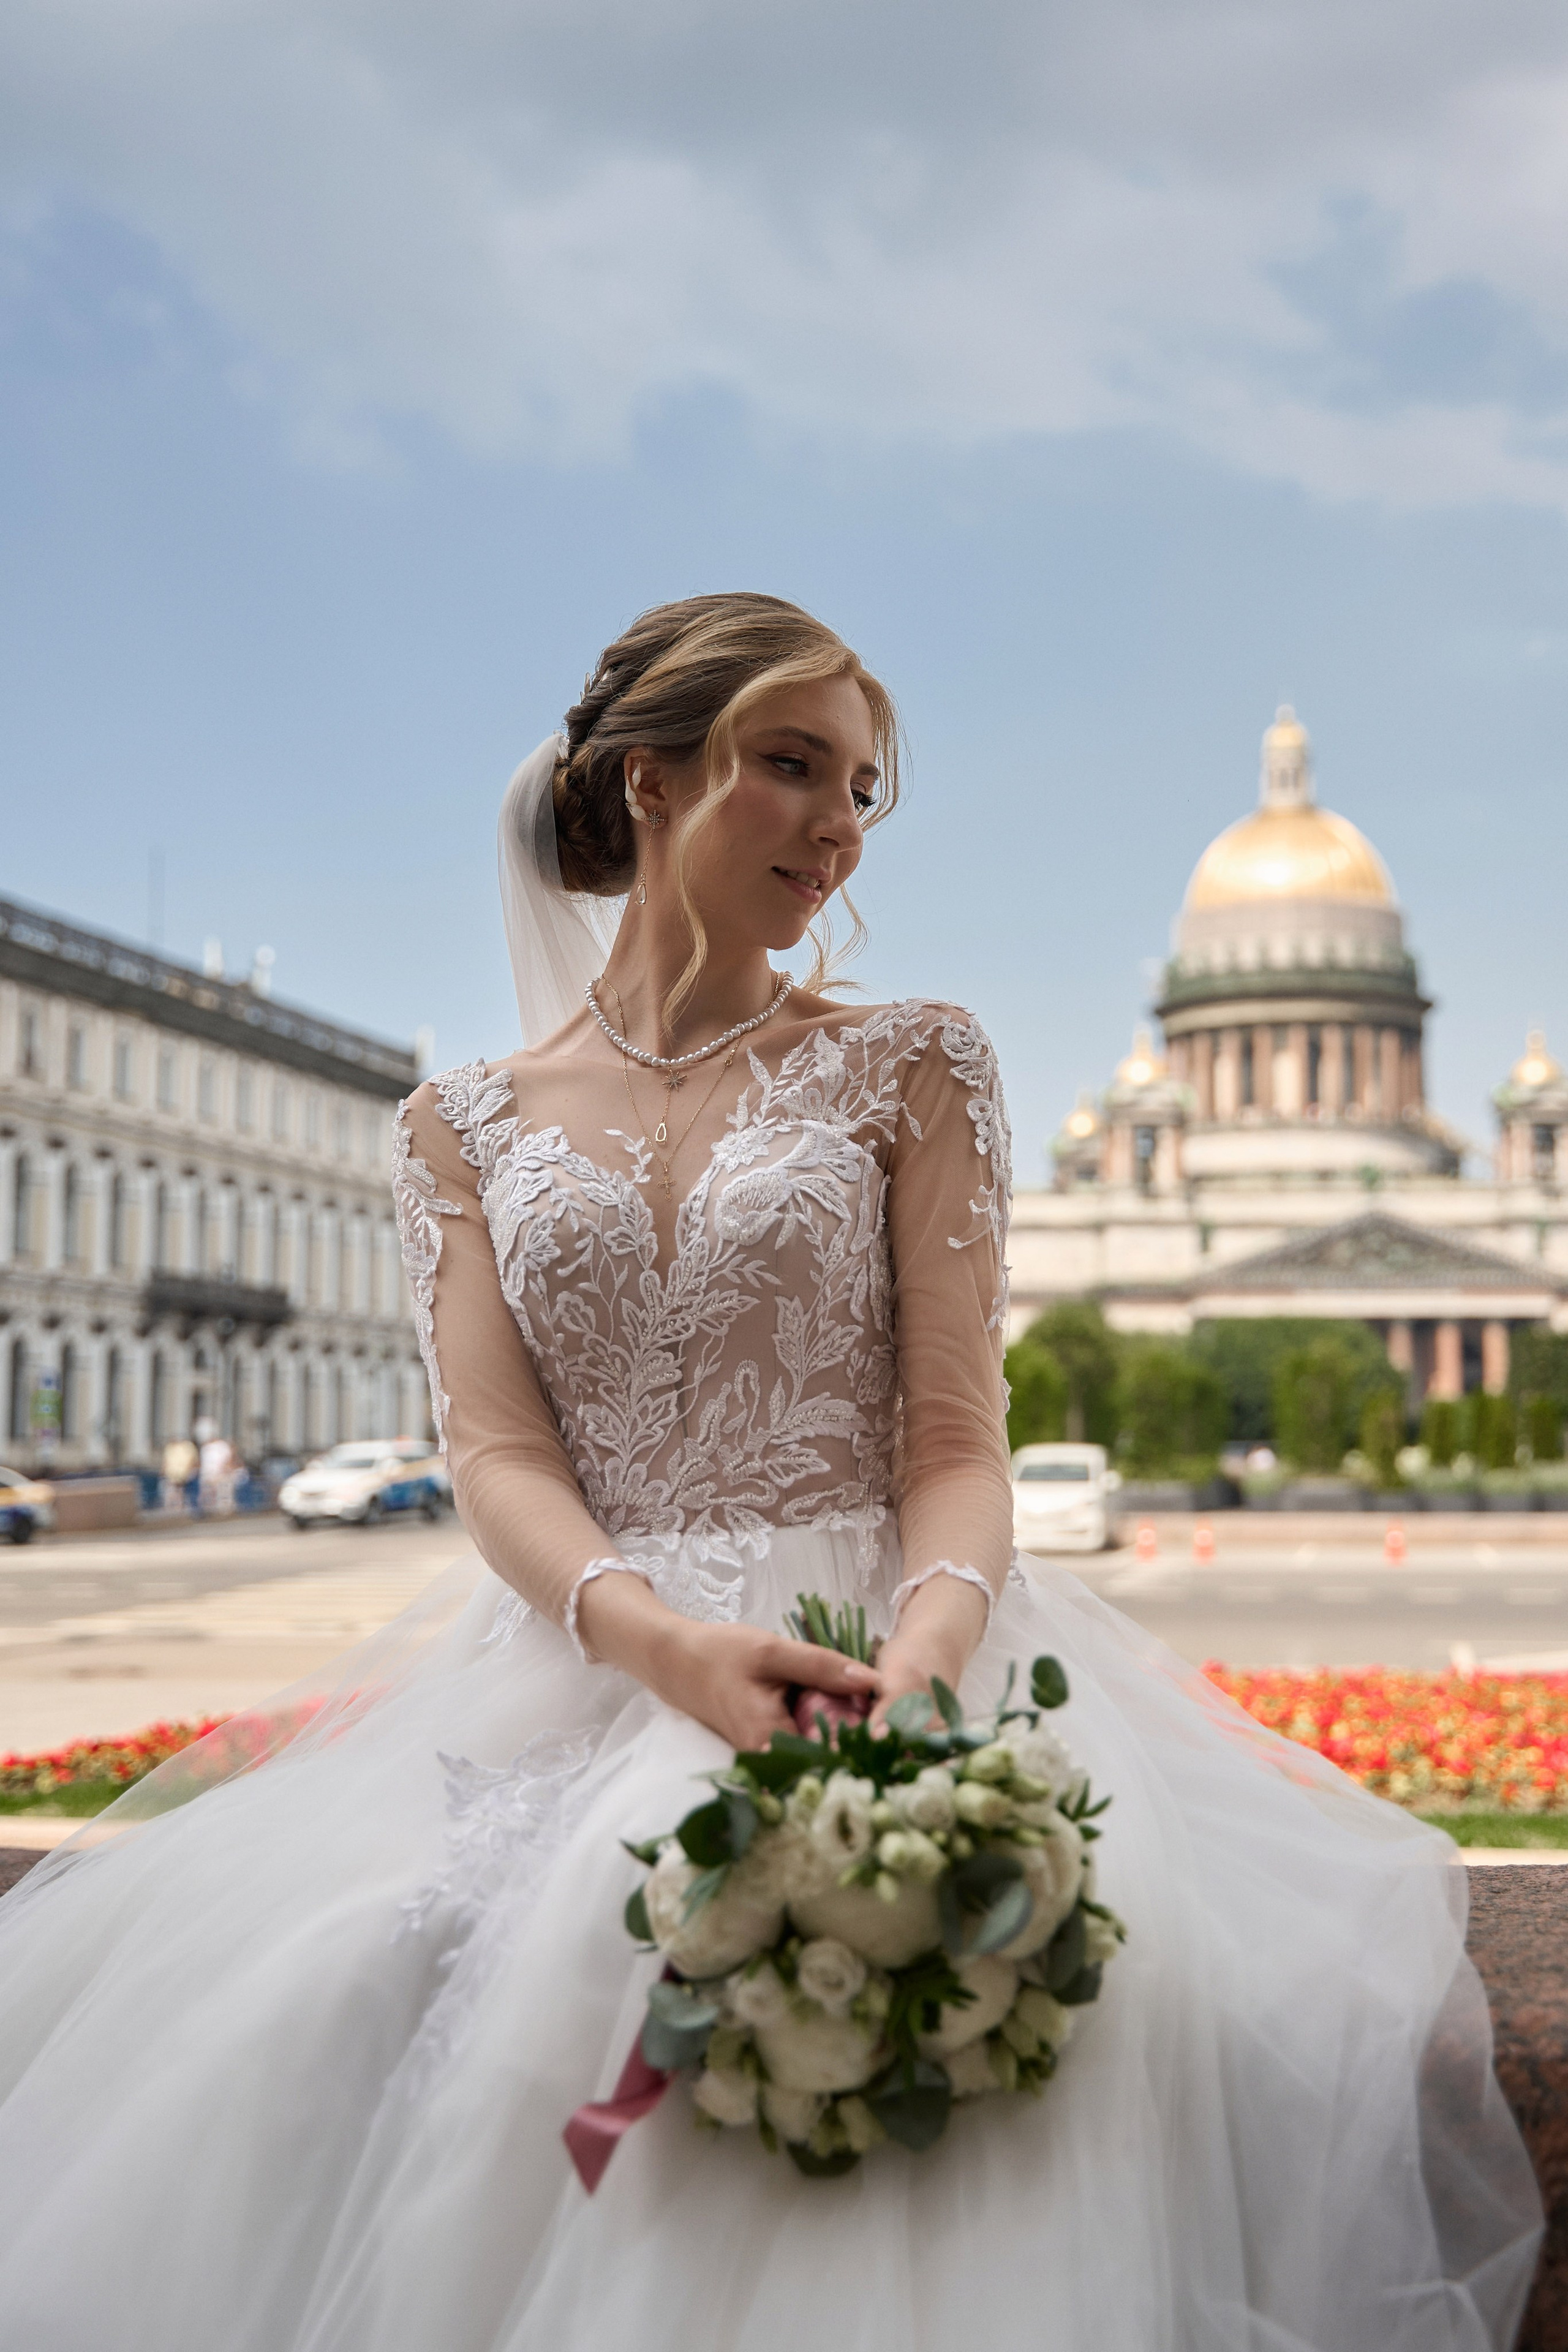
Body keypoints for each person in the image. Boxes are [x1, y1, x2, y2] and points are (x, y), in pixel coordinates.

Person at [0, 594, 1540, 2349]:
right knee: (364, 2002)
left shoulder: (914, 1060)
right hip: (586, 1669)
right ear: (648, 783)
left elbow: (960, 1443)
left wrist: (923, 1674)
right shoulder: (459, 1123)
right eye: (791, 767)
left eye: (864, 790)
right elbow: (497, 1451)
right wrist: (656, 1644)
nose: (837, 826)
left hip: (888, 1662)